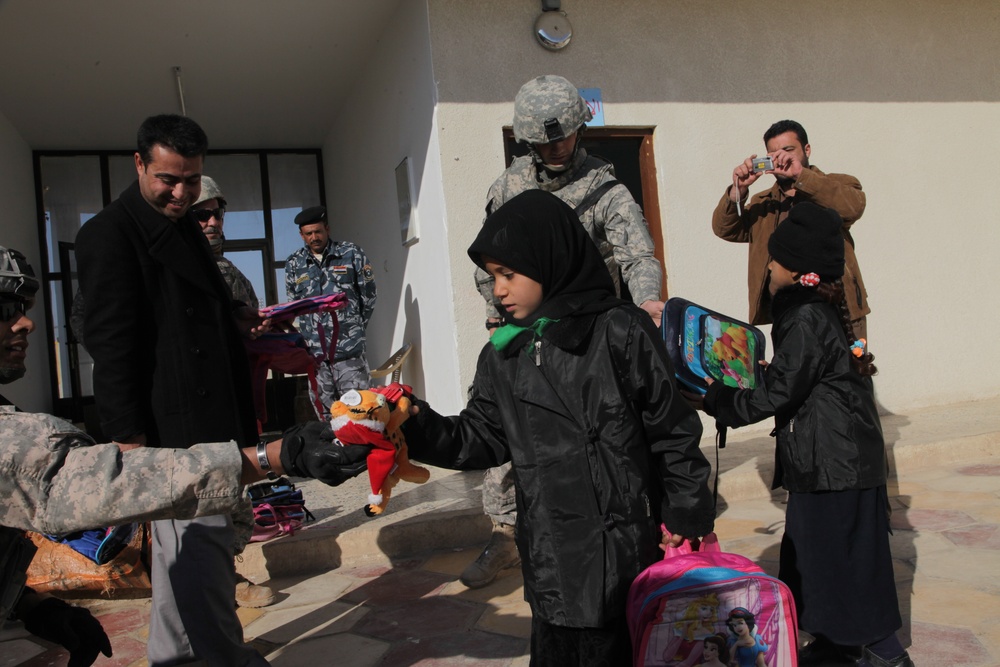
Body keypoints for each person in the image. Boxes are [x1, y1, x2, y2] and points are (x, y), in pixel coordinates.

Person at [0, 244, 371, 666]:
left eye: (24, 308)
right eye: (6, 309)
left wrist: (30, 607)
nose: (26, 323)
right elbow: (98, 481)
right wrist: (275, 457)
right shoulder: (9, 441)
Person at [402, 190, 714, 665]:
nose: (498, 290)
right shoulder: (502, 354)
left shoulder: (618, 331)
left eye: (508, 274)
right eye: (492, 277)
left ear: (550, 260)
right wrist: (413, 421)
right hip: (552, 562)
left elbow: (672, 431)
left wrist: (686, 514)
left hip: (625, 551)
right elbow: (479, 437)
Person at [75, 114, 274, 666]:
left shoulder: (182, 221)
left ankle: (174, 657)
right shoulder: (109, 235)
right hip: (170, 428)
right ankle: (222, 658)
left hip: (211, 412)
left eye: (191, 179)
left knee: (180, 555)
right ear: (139, 164)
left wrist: (237, 317)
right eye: (168, 178)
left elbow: (195, 304)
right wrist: (129, 440)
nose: (182, 192)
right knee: (200, 550)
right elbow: (110, 344)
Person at [464, 73, 667, 589]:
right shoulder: (510, 186)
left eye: (562, 136)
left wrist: (646, 302)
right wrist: (497, 305)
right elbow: (488, 258)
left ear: (580, 129)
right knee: (512, 426)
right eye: (542, 141)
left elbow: (638, 255)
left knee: (607, 430)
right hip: (524, 329)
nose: (554, 147)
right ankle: (507, 534)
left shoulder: (605, 186)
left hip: (587, 336)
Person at [694, 203, 912, 667]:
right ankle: (837, 644)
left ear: (796, 270)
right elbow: (798, 379)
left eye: (775, 259)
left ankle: (886, 655)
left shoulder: (807, 318)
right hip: (837, 460)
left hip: (835, 464)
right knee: (821, 562)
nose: (768, 266)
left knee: (846, 565)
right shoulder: (812, 313)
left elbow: (777, 392)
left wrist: (718, 400)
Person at [711, 119, 870, 340]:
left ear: (807, 150)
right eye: (773, 154)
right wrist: (738, 191)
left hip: (840, 309)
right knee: (795, 372)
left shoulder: (836, 184)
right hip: (789, 313)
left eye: (788, 150)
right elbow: (724, 229)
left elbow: (852, 207)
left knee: (846, 373)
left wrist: (800, 176)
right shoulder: (763, 202)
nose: (781, 158)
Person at [284, 205, 376, 415]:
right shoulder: (293, 264)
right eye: (309, 234)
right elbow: (294, 306)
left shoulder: (351, 253)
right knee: (327, 419)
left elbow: (368, 297)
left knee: (360, 414)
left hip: (349, 355)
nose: (314, 237)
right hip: (316, 358)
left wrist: (354, 328)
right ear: (301, 235)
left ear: (327, 229)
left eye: (318, 231)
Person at [192, 175, 259, 308]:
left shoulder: (228, 268)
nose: (214, 222)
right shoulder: (179, 268)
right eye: (203, 215)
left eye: (218, 214)